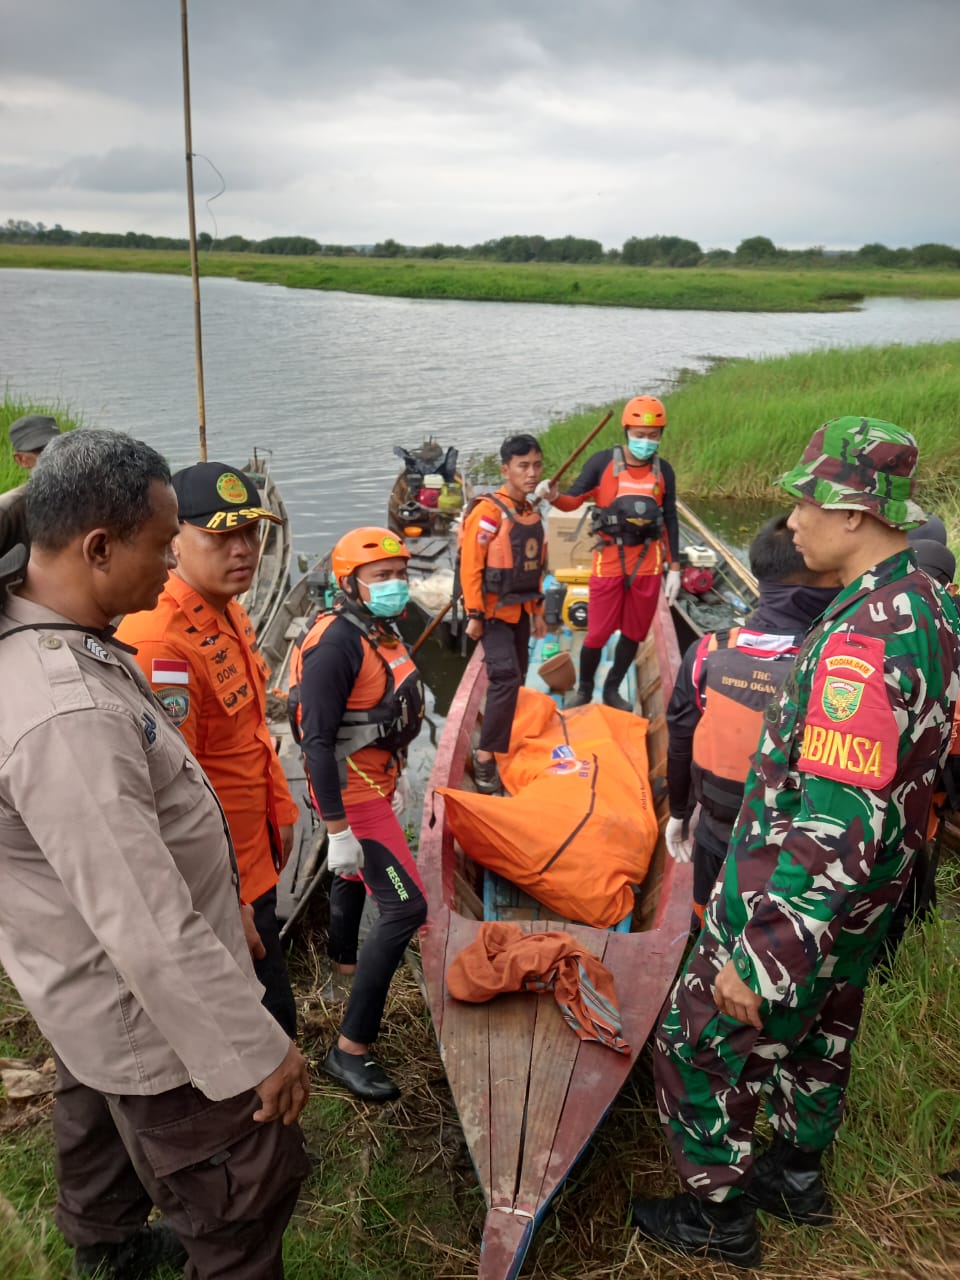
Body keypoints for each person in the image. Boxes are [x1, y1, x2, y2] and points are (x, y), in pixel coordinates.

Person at [631, 416, 960, 1269]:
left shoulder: (861, 639)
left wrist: (766, 951)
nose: (791, 526)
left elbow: (839, 819)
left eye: (804, 505)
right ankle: (797, 1175)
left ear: (854, 513)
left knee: (693, 1042)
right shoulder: (926, 602)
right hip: (864, 901)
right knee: (821, 1029)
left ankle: (718, 1217)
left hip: (796, 896)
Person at [0, 430, 310, 1280]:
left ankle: (106, 1248)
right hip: (143, 1004)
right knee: (238, 1192)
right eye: (161, 543)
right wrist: (256, 1052)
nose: (173, 563)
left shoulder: (49, 614)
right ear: (97, 548)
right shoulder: (68, 720)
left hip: (83, 986)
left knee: (95, 1120)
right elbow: (143, 923)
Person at [116, 460, 302, 1039]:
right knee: (263, 1027)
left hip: (256, 855)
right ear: (175, 539)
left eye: (250, 532)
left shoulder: (229, 610)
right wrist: (224, 901)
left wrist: (283, 813)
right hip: (223, 885)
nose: (242, 548)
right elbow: (169, 792)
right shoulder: (160, 641)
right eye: (221, 536)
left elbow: (247, 735)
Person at [289, 527, 428, 1102]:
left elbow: (381, 711)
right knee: (406, 907)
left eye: (400, 574)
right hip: (353, 798)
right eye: (381, 577)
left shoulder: (377, 629)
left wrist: (392, 771)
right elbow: (316, 743)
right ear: (350, 584)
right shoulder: (337, 644)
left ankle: (344, 964)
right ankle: (350, 1050)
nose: (395, 585)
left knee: (352, 878)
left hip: (375, 784)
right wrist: (338, 828)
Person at [665, 515, 839, 926]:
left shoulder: (707, 652)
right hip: (790, 852)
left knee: (706, 927)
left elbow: (679, 740)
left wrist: (678, 812)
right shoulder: (829, 664)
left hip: (714, 831)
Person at [544, 396, 680, 710]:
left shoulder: (664, 472)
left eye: (653, 435)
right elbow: (573, 499)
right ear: (626, 429)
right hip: (608, 562)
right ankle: (585, 688)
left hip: (647, 564)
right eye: (639, 434)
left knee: (634, 633)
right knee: (598, 633)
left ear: (661, 435)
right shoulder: (602, 463)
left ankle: (611, 689)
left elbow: (669, 517)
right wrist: (553, 496)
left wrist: (675, 567)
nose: (646, 441)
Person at [460, 433, 547, 793]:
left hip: (521, 611)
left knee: (519, 677)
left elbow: (535, 566)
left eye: (537, 466)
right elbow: (471, 566)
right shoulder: (488, 513)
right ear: (506, 469)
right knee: (506, 678)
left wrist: (539, 611)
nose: (531, 473)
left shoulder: (529, 511)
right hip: (493, 614)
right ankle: (484, 759)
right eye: (523, 466)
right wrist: (475, 614)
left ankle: (500, 739)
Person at [0, 413, 60, 557]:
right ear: (21, 460)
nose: (54, 455)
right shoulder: (7, 511)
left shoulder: (90, 494)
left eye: (58, 446)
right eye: (42, 450)